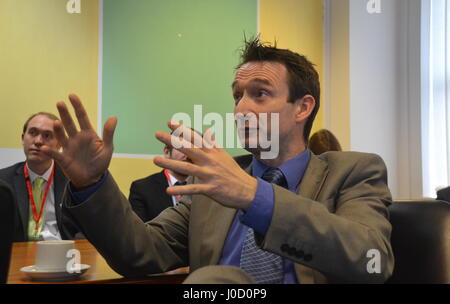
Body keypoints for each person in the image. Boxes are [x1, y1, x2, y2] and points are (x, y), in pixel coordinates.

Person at [42, 37, 394, 283]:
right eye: (237, 96)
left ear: (303, 107)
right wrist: (91, 184)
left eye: (259, 94)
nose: (240, 108)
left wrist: (255, 196)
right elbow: (140, 253)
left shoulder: (354, 172)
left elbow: (370, 260)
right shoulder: (213, 188)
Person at [0, 112, 83, 242]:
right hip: (20, 255)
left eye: (47, 135)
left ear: (59, 144)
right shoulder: (3, 181)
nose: (38, 141)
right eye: (32, 133)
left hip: (63, 253)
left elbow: (85, 227)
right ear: (23, 138)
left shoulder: (73, 180)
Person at [129, 144, 190, 222]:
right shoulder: (142, 188)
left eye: (195, 150)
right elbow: (139, 231)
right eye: (183, 148)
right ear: (167, 152)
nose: (188, 155)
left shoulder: (206, 189)